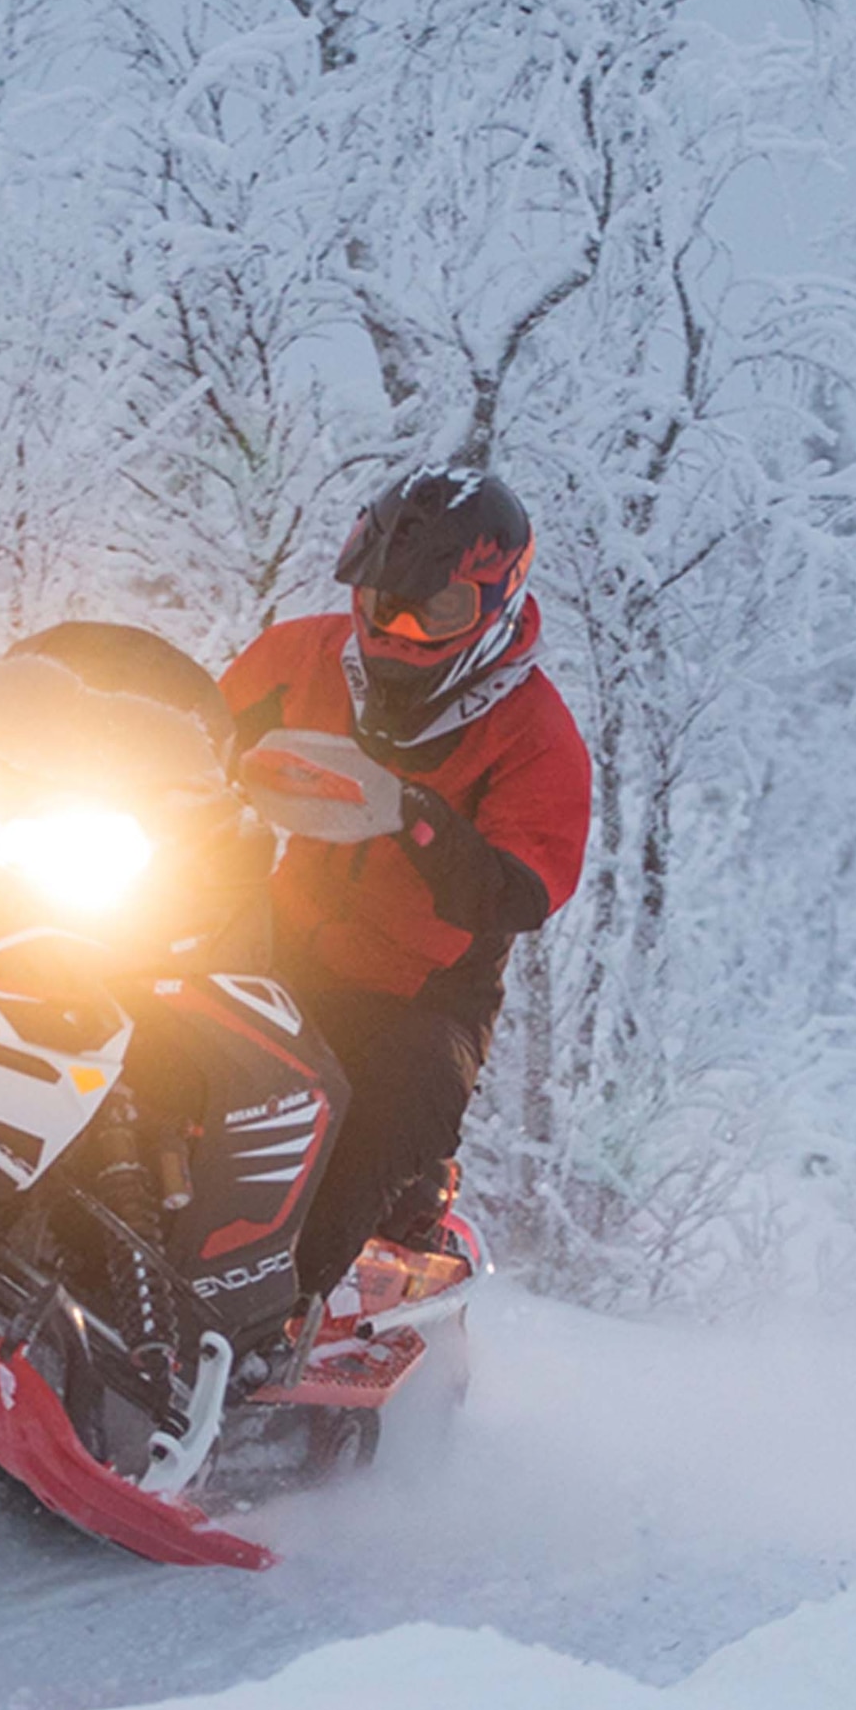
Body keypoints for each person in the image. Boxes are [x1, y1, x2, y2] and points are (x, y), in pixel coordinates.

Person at [220, 468, 595, 1318]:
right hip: (270, 940)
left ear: (496, 606)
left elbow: (520, 890)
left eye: (437, 611)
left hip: (421, 998)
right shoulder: (299, 656)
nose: (399, 630)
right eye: (385, 601)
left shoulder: (534, 730)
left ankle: (274, 1318)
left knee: (388, 1101)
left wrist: (410, 814)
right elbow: (192, 730)